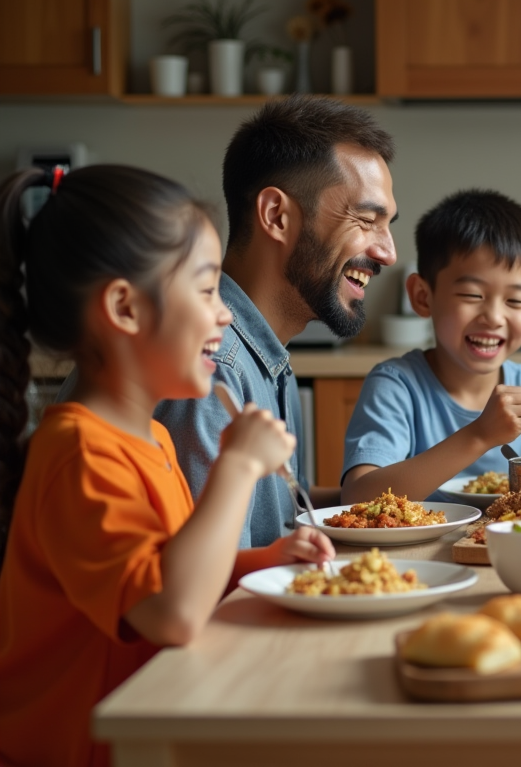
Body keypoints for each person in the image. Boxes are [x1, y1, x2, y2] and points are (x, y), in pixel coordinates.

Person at [0, 165, 335, 767]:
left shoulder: (151, 437)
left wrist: (262, 562)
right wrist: (235, 466)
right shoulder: (79, 454)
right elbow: (170, 613)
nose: (226, 314)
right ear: (125, 309)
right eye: (207, 290)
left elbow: (170, 573)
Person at [154, 95, 398, 547]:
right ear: (276, 216)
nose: (388, 252)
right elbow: (209, 583)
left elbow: (281, 515)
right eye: (367, 220)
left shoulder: (264, 354)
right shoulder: (212, 366)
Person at [341, 189, 521, 505]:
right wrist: (480, 435)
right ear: (423, 297)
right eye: (472, 295)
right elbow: (357, 498)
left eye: (515, 300)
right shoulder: (396, 386)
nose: (494, 317)